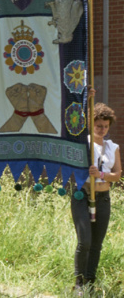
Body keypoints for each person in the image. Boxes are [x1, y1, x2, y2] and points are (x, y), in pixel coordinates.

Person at [71, 101, 121, 293]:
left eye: (106, 126)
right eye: (99, 125)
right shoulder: (84, 144)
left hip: (103, 198)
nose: (102, 129)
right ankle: (78, 283)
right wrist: (88, 97)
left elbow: (117, 175)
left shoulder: (113, 147)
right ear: (92, 124)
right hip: (82, 195)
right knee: (85, 241)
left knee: (97, 244)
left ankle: (91, 283)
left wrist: (100, 175)